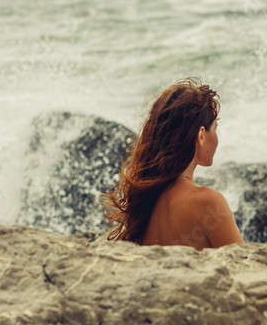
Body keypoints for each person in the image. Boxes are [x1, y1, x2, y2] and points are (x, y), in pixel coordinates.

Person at [101, 78, 244, 249]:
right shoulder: (208, 202)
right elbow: (245, 265)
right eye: (215, 128)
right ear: (201, 135)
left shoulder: (145, 200)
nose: (217, 137)